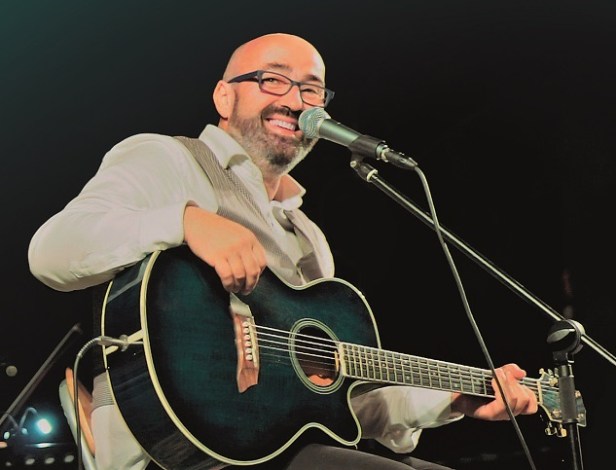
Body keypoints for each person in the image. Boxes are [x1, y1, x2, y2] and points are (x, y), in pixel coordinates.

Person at [28, 33, 538, 470]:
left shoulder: (307, 236)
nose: (295, 101)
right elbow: (51, 252)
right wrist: (184, 221)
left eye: (311, 89)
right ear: (224, 97)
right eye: (272, 80)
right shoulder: (170, 158)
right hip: (178, 450)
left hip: (278, 451)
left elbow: (341, 406)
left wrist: (454, 398)